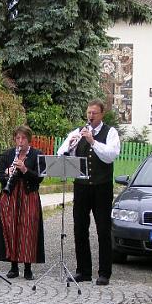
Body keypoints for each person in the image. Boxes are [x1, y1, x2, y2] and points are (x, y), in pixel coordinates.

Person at [57, 99, 120, 286]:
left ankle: (104, 273)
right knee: (80, 228)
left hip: (102, 187)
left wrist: (92, 141)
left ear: (102, 114)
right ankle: (83, 271)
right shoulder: (77, 132)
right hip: (82, 186)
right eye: (89, 113)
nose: (91, 116)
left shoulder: (111, 133)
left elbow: (109, 156)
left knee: (102, 229)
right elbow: (62, 153)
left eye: (94, 113)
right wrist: (72, 146)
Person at [0, 125, 45, 280]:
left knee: (28, 230)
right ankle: (13, 266)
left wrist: (25, 170)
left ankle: (28, 268)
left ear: (29, 139)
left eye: (23, 138)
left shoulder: (36, 155)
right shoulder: (8, 154)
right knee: (11, 228)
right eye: (18, 138)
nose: (20, 141)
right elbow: (0, 176)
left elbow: (40, 178)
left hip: (29, 196)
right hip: (10, 195)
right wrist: (7, 174)